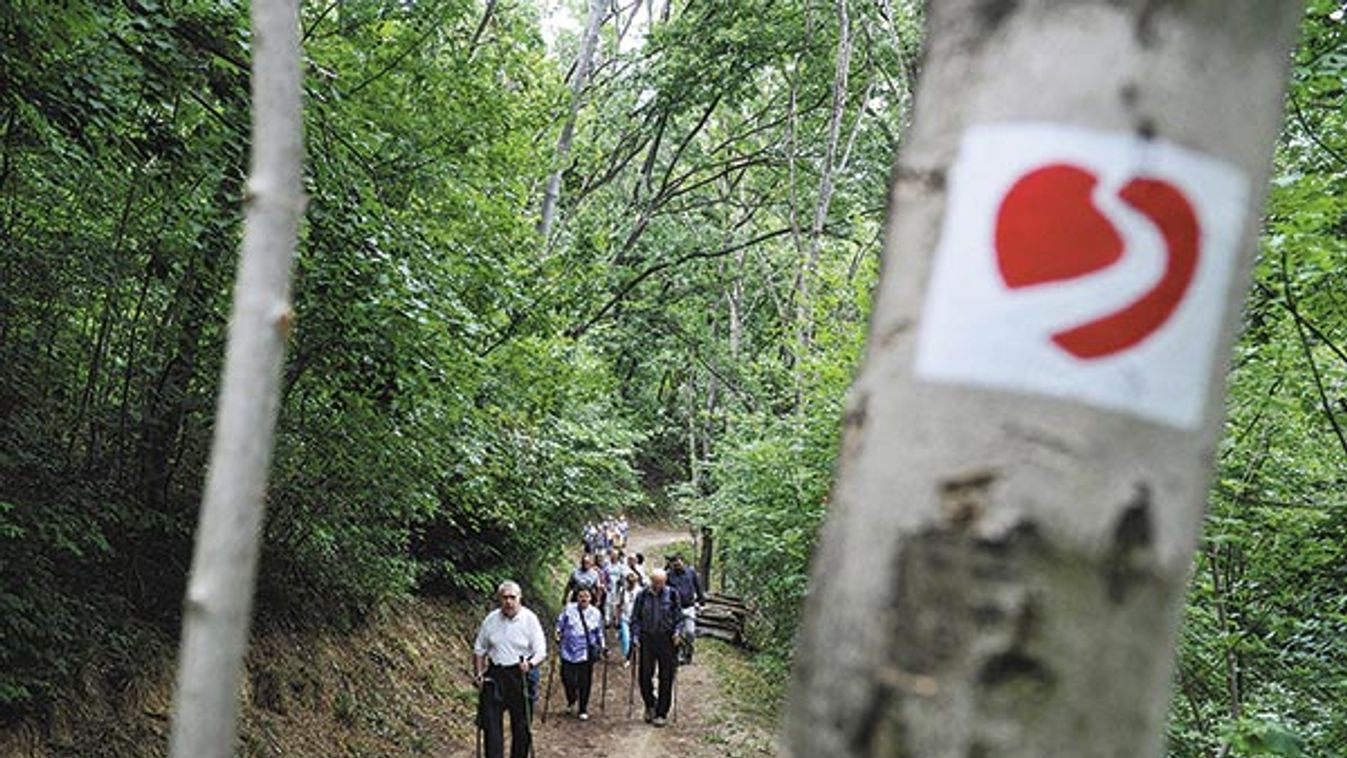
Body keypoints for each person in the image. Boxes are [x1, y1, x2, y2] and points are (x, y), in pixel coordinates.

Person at [473, 581, 547, 758]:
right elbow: (479, 649)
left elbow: (541, 651)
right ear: (499, 599)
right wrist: (478, 674)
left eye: (512, 597)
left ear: (519, 598)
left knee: (521, 726)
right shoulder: (491, 619)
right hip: (495, 675)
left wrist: (530, 663)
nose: (508, 602)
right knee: (490, 724)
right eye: (504, 598)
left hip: (520, 674)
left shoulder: (530, 620)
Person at [630, 569, 681, 727]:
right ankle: (650, 704)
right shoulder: (642, 595)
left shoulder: (672, 595)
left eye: (661, 582)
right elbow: (635, 619)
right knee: (645, 675)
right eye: (655, 582)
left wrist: (677, 632)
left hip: (666, 640)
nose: (658, 585)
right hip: (647, 639)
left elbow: (679, 618)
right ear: (651, 581)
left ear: (665, 581)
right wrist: (635, 636)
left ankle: (661, 712)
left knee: (666, 676)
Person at [554, 587, 605, 720]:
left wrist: (603, 647)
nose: (583, 598)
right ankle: (572, 699)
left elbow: (599, 632)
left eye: (586, 596)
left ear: (591, 598)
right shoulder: (569, 609)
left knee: (585, 680)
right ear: (577, 597)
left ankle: (583, 708)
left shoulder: (596, 613)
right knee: (567, 677)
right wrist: (558, 634)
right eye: (581, 596)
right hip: (568, 649)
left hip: (585, 651)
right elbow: (560, 624)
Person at [666, 554, 706, 664]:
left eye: (678, 562)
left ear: (682, 561)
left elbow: (698, 586)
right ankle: (678, 654)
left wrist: (701, 602)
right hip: (675, 609)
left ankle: (688, 653)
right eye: (674, 563)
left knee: (690, 632)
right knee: (677, 633)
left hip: (689, 607)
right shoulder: (669, 575)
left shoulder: (691, 572)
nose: (676, 564)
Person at [617, 571, 641, 663]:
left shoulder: (640, 591)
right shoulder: (623, 590)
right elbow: (618, 604)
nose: (631, 584)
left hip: (636, 619)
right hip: (625, 617)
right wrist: (617, 618)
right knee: (626, 638)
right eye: (629, 582)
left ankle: (632, 656)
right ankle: (627, 656)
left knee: (634, 638)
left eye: (633, 582)